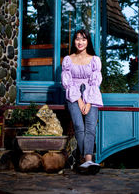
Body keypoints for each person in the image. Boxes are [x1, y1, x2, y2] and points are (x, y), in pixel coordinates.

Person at [61, 29, 103, 174]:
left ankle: (88, 160)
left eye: (83, 39)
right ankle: (86, 161)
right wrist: (79, 100)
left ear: (88, 42)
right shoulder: (68, 59)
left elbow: (94, 83)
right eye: (77, 39)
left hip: (92, 95)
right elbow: (68, 82)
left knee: (90, 127)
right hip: (73, 95)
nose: (80, 42)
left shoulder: (94, 60)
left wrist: (89, 102)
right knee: (79, 126)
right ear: (74, 41)